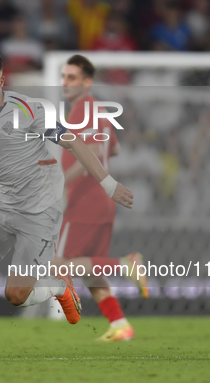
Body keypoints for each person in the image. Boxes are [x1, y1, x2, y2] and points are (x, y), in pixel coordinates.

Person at [0, 50, 134, 358]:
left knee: (16, 295)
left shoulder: (28, 110)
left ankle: (57, 287)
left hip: (39, 209)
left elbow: (74, 141)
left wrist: (108, 183)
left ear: (2, 80)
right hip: (0, 202)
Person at [52, 55, 148, 342]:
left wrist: (59, 180)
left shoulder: (83, 111)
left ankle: (125, 264)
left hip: (85, 200)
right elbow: (111, 150)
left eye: (72, 78)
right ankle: (120, 324)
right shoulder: (99, 112)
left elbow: (90, 151)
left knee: (58, 264)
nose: (65, 83)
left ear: (87, 82)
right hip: (101, 201)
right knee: (90, 268)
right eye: (64, 77)